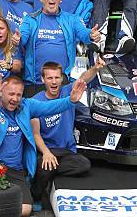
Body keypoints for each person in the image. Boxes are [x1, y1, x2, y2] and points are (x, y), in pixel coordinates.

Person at [0, 73, 87, 217]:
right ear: (1, 92)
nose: (15, 99)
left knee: (26, 210)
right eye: (11, 94)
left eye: (18, 95)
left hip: (16, 169)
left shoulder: (26, 106)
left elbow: (49, 107)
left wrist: (70, 101)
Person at [30, 58, 104, 210]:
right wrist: (46, 153)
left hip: (66, 151)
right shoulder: (35, 102)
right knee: (43, 169)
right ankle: (36, 196)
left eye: (57, 77)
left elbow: (84, 78)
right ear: (43, 79)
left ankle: (52, 170)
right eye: (50, 78)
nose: (54, 81)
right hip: (47, 150)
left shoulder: (68, 91)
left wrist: (95, 69)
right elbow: (35, 134)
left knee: (84, 165)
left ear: (62, 78)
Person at [19, 0, 101, 97]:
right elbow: (22, 38)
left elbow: (84, 34)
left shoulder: (72, 19)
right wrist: (17, 39)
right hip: (34, 84)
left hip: (61, 83)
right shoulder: (30, 19)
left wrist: (91, 35)